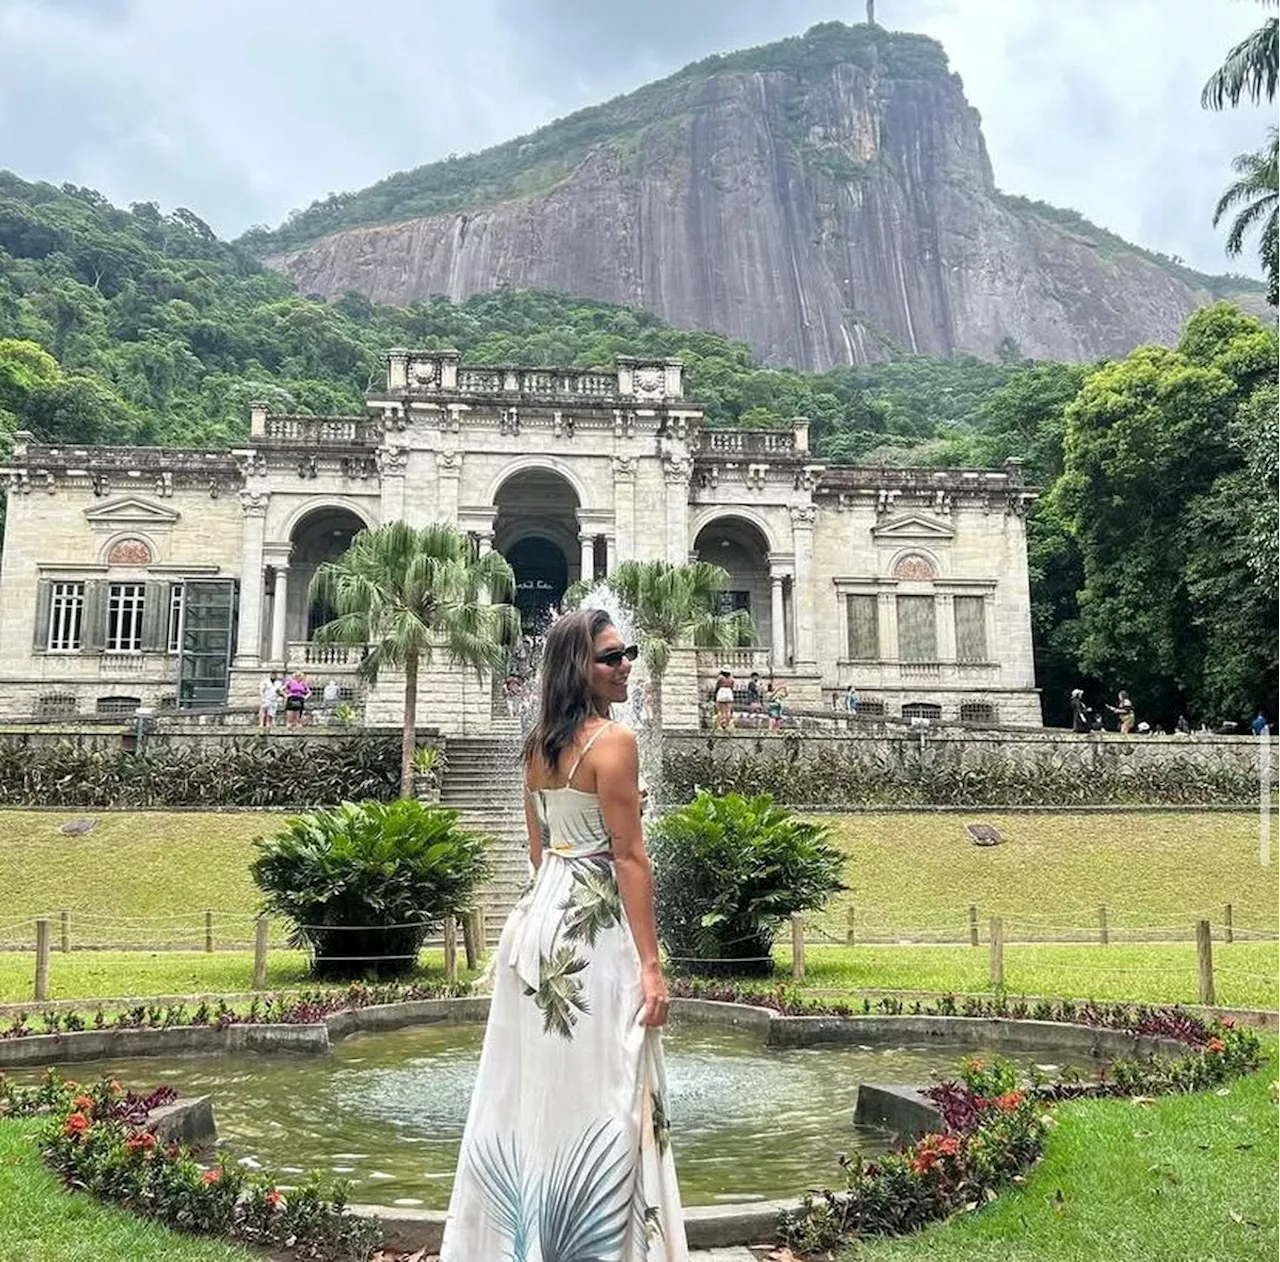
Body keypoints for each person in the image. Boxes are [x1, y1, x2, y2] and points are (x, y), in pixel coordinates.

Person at [440, 610, 687, 1260]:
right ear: (580, 668)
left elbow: (538, 851)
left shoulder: (536, 746)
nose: (625, 664)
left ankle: (522, 1240)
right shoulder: (615, 743)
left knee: (531, 1091)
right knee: (607, 1083)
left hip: (536, 923)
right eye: (611, 657)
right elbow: (630, 857)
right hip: (590, 927)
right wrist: (652, 964)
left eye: (626, 652)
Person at [714, 667, 736, 731]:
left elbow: (717, 686)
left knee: (722, 710)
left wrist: (715, 693)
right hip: (729, 692)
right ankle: (727, 723)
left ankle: (723, 723)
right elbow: (732, 687)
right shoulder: (732, 679)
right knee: (728, 710)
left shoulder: (720, 678)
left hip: (722, 691)